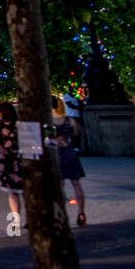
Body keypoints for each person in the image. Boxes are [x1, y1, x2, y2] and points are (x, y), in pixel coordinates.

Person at [0, 101, 24, 226]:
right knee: (26, 190)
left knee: (12, 191)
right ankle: (30, 218)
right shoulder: (19, 124)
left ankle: (16, 220)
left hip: (6, 159)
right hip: (20, 157)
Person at [52, 97, 87, 226]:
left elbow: (48, 140)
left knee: (60, 185)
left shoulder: (50, 122)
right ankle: (81, 213)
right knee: (76, 183)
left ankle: (61, 215)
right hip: (70, 151)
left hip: (57, 154)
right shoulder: (69, 120)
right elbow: (78, 133)